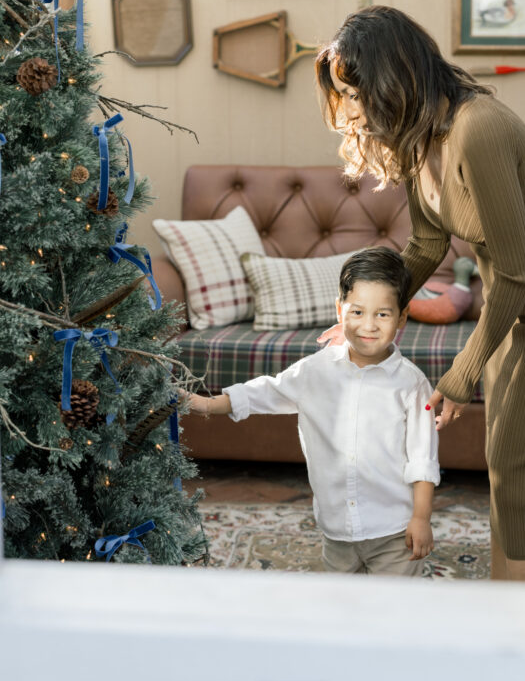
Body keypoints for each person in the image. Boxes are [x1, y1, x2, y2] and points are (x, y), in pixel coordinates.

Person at [315, 7, 525, 583]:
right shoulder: (422, 139)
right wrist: (368, 316)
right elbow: (425, 245)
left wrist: (462, 372)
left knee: (517, 471)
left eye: (357, 90)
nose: (353, 108)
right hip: (515, 312)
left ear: (395, 75)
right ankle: (509, 600)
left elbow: (517, 271)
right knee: (509, 470)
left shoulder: (477, 128)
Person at [184, 247, 440, 576]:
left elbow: (422, 459)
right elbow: (266, 390)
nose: (369, 325)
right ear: (340, 310)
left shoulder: (411, 384)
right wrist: (206, 404)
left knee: (393, 614)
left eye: (383, 314)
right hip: (336, 530)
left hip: (392, 530)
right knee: (338, 611)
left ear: (402, 317)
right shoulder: (315, 371)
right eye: (358, 312)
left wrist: (420, 518)